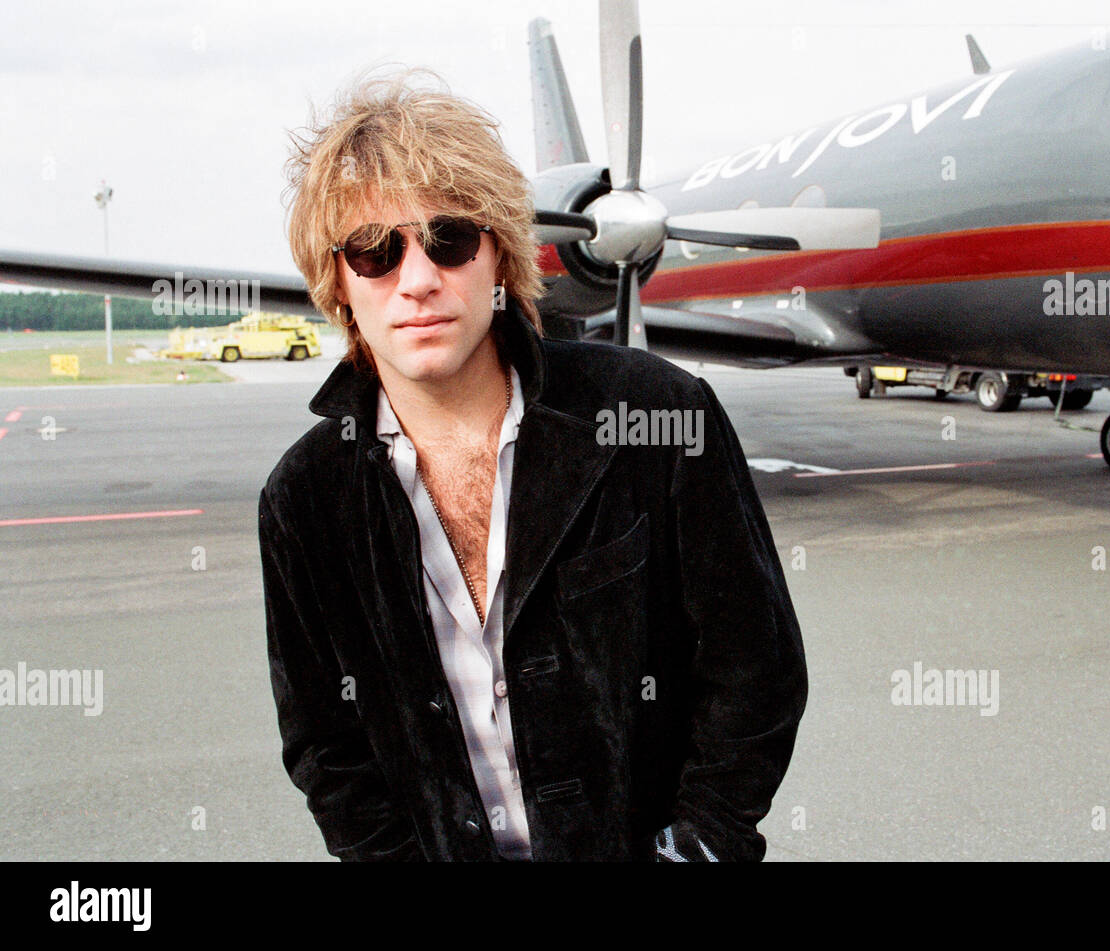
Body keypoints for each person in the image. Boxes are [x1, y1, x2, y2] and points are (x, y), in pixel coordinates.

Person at [259, 67, 807, 862]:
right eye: (375, 251)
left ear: (499, 255)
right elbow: (323, 743)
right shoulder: (302, 498)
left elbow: (756, 668)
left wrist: (699, 845)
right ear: (339, 282)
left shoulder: (657, 415)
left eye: (449, 238)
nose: (417, 279)